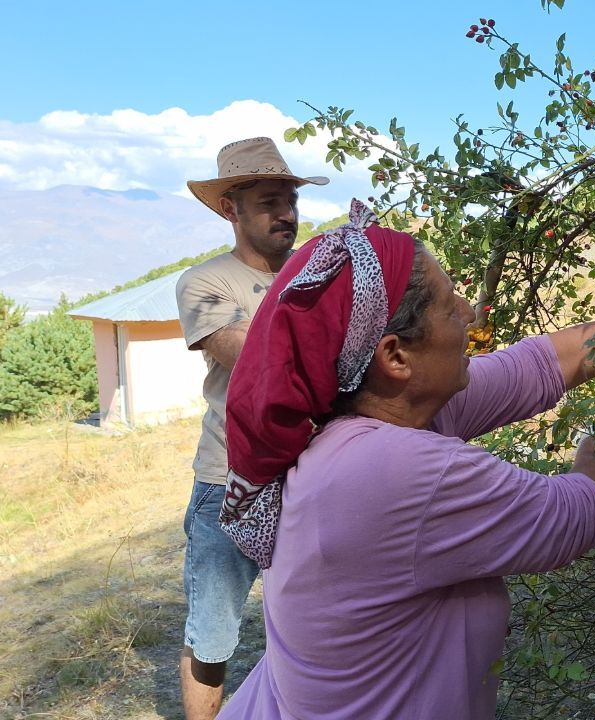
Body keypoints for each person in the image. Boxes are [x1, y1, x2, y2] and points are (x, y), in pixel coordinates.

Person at [215, 199, 595, 718]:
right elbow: (571, 517)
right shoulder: (393, 469)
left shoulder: (370, 414)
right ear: (395, 356)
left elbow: (537, 366)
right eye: (449, 306)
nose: (469, 313)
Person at [175, 137, 329, 720]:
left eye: (290, 199)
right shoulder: (205, 282)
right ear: (229, 209)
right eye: (269, 201)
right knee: (213, 636)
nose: (287, 213)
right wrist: (332, 327)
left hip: (313, 474)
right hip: (229, 482)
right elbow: (247, 355)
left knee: (312, 622)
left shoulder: (318, 273)